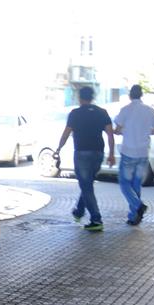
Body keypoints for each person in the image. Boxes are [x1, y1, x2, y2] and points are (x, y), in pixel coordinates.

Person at [55, 86, 115, 232]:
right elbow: (110, 134)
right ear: (92, 97)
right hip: (98, 153)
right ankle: (79, 211)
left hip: (81, 153)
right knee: (87, 184)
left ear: (79, 98)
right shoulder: (102, 112)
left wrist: (58, 149)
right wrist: (111, 154)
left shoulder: (75, 113)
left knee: (86, 185)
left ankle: (96, 219)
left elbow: (66, 134)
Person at [113, 84, 154, 225]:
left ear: (130, 95)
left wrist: (124, 131)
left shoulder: (125, 110)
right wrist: (145, 132)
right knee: (136, 184)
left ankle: (138, 206)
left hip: (128, 151)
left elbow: (117, 130)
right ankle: (134, 216)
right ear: (141, 95)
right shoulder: (149, 110)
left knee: (124, 183)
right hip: (143, 152)